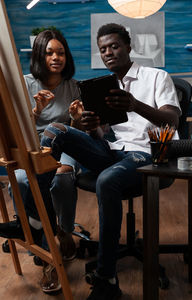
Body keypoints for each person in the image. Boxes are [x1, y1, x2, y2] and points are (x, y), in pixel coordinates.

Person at [0, 23, 181, 299]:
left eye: (114, 46)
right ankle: (36, 219)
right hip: (109, 149)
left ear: (128, 47)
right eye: (103, 49)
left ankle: (106, 279)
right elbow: (103, 133)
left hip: (144, 154)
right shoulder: (102, 87)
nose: (108, 52)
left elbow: (172, 119)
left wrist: (135, 105)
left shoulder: (156, 77)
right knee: (56, 131)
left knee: (107, 180)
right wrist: (92, 126)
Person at [1, 29, 81, 293]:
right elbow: (16, 127)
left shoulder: (75, 87)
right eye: (49, 53)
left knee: (62, 178)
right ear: (39, 55)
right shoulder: (24, 84)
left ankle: (65, 232)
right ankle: (46, 248)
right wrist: (36, 111)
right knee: (23, 179)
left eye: (60, 52)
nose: (56, 57)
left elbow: (77, 130)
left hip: (65, 144)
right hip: (34, 146)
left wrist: (76, 119)